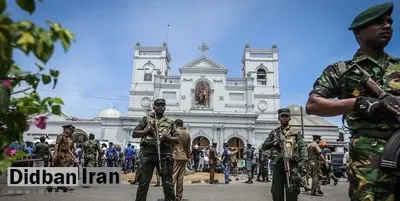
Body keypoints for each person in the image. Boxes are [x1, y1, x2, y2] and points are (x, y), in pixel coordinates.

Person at [305, 2, 400, 200]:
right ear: (359, 33)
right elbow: (313, 105)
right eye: (378, 22)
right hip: (367, 161)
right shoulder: (341, 70)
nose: (387, 26)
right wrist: (356, 103)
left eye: (389, 22)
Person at [132, 98, 179, 201]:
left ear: (165, 107)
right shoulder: (146, 119)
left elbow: (177, 139)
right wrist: (147, 130)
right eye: (158, 105)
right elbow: (135, 133)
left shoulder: (170, 122)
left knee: (167, 183)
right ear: (154, 107)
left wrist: (167, 137)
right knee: (143, 183)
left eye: (162, 105)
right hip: (147, 154)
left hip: (164, 154)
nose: (160, 107)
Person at [262, 108, 308, 201]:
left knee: (292, 190)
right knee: (277, 192)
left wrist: (303, 162)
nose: (284, 118)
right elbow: (264, 146)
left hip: (292, 165)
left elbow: (303, 147)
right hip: (279, 165)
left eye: (286, 116)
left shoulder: (295, 133)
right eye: (282, 116)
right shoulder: (274, 133)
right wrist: (275, 142)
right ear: (279, 118)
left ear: (289, 118)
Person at [52, 124, 76, 192]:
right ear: (65, 129)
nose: (71, 131)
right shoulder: (61, 136)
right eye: (70, 129)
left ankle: (65, 185)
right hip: (61, 155)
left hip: (67, 155)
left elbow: (69, 148)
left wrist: (72, 155)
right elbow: (57, 145)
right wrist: (55, 154)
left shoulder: (70, 137)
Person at [172, 119, 191, 201]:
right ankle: (179, 196)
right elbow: (188, 149)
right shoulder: (187, 134)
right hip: (184, 157)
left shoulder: (174, 132)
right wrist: (187, 157)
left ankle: (170, 195)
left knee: (173, 177)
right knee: (180, 178)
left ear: (176, 124)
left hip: (175, 156)